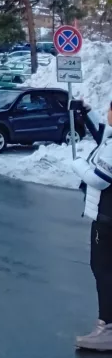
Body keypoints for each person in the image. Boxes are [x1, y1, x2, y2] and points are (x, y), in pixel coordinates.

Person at [74, 101, 112, 351]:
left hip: (107, 219)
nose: (108, 113)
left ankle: (106, 327)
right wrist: (86, 111)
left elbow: (99, 179)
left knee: (103, 270)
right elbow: (102, 131)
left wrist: (78, 165)